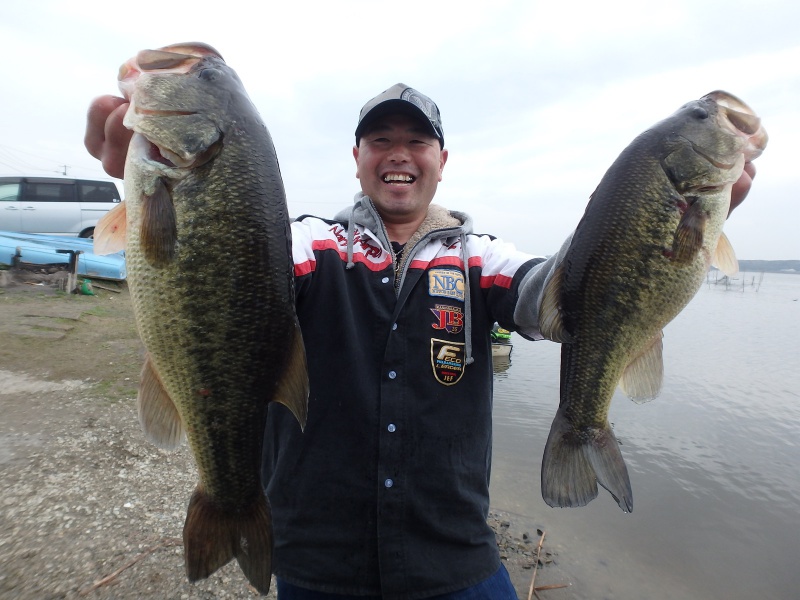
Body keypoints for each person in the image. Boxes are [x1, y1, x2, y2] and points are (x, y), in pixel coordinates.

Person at [85, 82, 756, 600]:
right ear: (357, 160)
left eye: (416, 140)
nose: (398, 152)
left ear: (441, 160)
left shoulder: (481, 256)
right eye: (380, 140)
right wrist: (153, 187)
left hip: (454, 558)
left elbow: (553, 298)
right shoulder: (307, 243)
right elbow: (228, 265)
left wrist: (655, 223)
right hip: (317, 558)